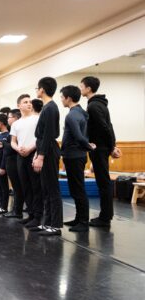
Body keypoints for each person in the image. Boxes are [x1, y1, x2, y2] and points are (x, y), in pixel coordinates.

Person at [80, 76, 120, 228]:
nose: (80, 89)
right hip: (103, 147)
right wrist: (112, 145)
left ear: (88, 88)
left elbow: (105, 127)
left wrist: (111, 147)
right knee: (103, 182)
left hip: (100, 148)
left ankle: (105, 218)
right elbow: (109, 126)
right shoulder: (99, 104)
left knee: (103, 183)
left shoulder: (93, 106)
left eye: (81, 86)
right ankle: (105, 216)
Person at [60, 85, 95, 232]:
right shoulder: (81, 112)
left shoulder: (72, 115)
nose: (61, 100)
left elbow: (78, 136)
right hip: (77, 155)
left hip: (74, 156)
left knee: (78, 189)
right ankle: (79, 218)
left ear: (68, 98)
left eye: (62, 97)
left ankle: (83, 221)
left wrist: (89, 147)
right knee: (76, 189)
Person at [32, 77, 63, 236]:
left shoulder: (51, 108)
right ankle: (48, 222)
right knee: (45, 188)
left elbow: (48, 134)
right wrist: (37, 153)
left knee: (52, 188)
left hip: (49, 151)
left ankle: (55, 226)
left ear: (42, 89)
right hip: (44, 149)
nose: (36, 91)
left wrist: (41, 156)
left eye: (37, 88)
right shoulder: (47, 107)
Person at [11, 94, 42, 228]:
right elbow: (13, 141)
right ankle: (31, 214)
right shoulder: (16, 123)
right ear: (19, 106)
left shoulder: (37, 119)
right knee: (25, 186)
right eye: (25, 102)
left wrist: (29, 149)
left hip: (33, 154)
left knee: (36, 186)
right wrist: (18, 149)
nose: (29, 104)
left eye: (30, 102)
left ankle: (38, 216)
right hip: (20, 155)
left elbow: (40, 138)